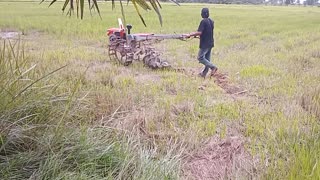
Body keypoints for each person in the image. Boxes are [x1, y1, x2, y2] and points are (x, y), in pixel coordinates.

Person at [185, 8, 218, 78]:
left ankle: (213, 67)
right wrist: (198, 36)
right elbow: (207, 31)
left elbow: (200, 32)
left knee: (200, 57)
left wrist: (190, 34)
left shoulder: (203, 21)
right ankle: (204, 74)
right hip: (210, 42)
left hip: (205, 44)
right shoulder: (211, 21)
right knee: (207, 59)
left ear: (202, 14)